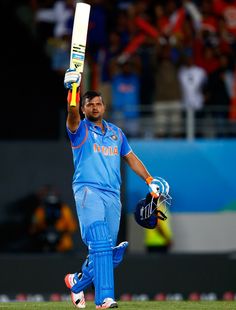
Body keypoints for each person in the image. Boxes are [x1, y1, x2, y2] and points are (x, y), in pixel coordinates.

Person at [63, 68, 170, 309]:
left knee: (108, 254)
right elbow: (71, 115)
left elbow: (131, 158)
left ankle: (77, 282)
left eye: (98, 104)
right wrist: (72, 91)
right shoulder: (79, 130)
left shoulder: (116, 133)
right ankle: (104, 299)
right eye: (89, 104)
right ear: (83, 108)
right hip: (88, 190)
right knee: (100, 241)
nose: (95, 108)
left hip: (113, 195)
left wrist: (149, 179)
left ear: (103, 106)